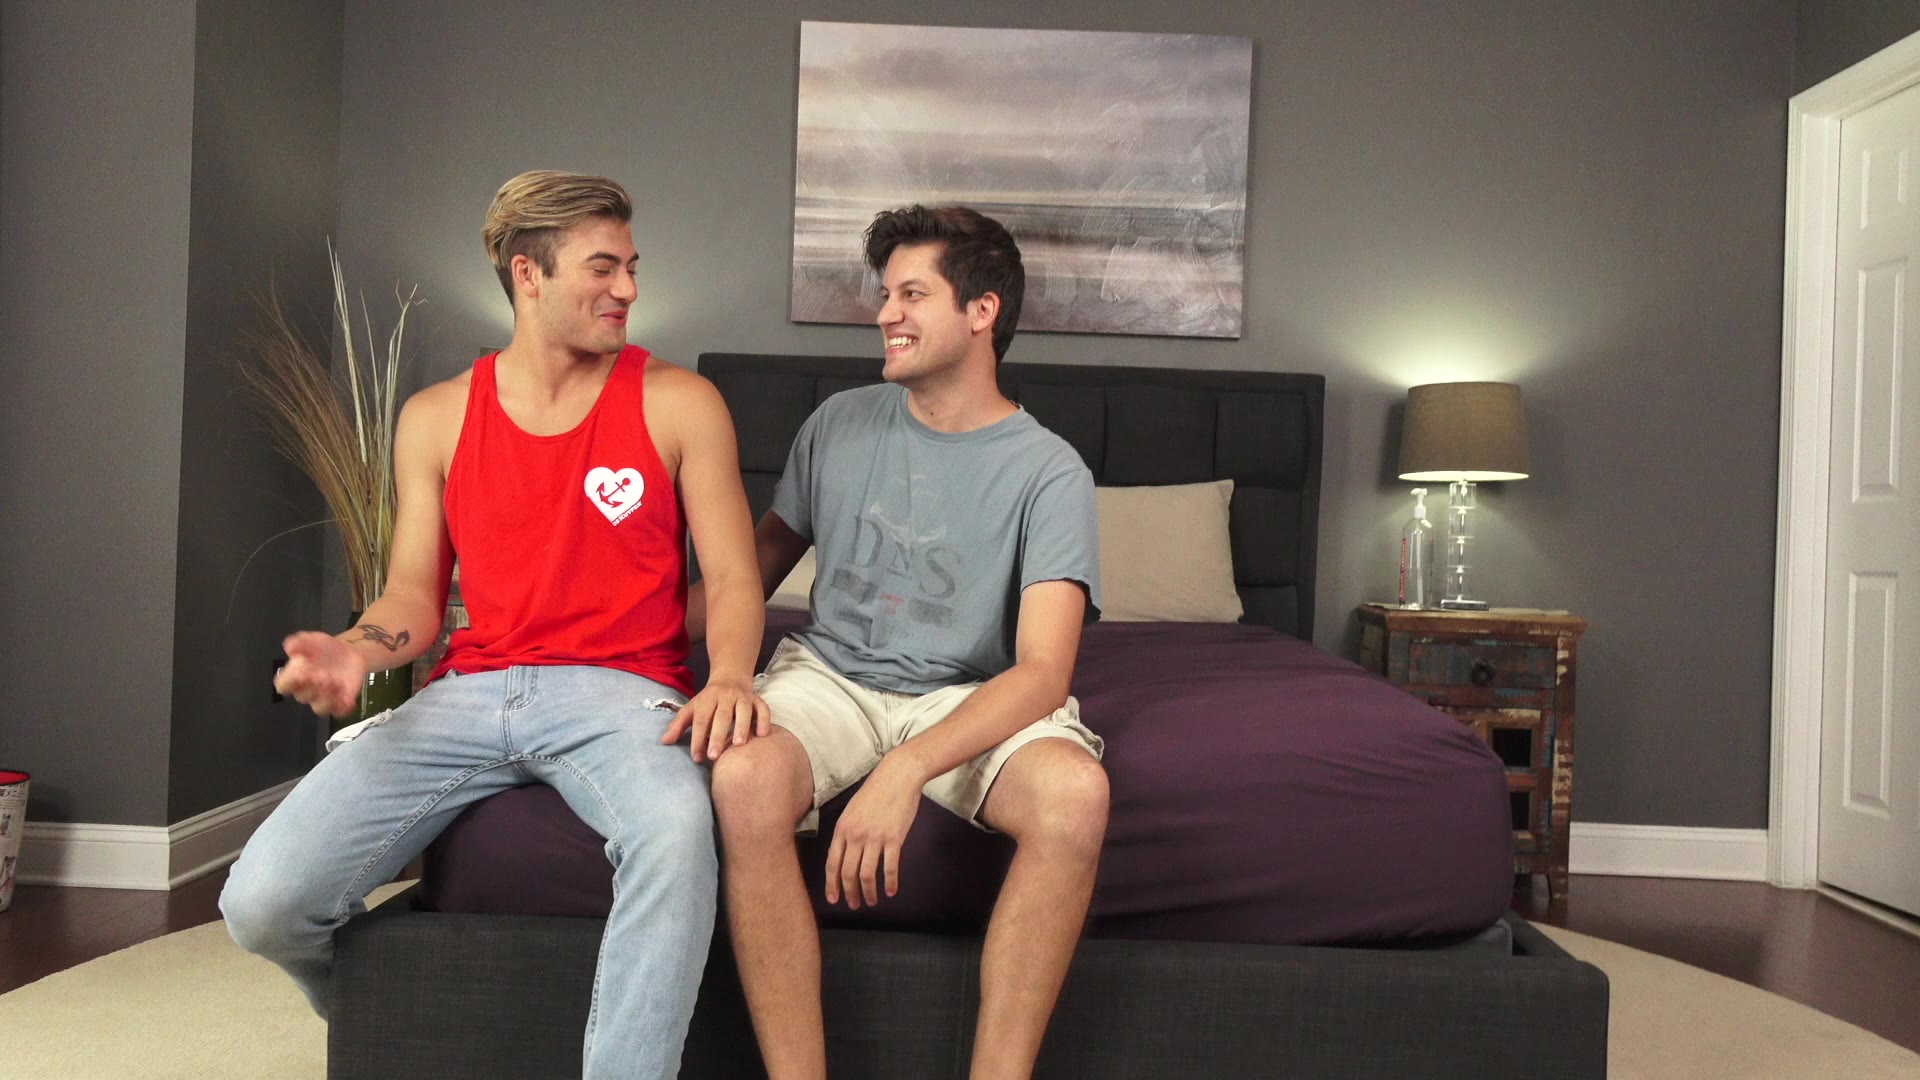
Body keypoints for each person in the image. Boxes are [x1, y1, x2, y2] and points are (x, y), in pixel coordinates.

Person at [220, 170, 769, 1080]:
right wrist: (354, 651)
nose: (628, 289)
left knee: (675, 834)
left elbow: (737, 578)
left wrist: (734, 676)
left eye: (632, 266)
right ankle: (397, 1019)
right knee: (263, 900)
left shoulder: (679, 403)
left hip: (622, 695)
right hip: (467, 695)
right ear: (528, 274)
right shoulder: (436, 418)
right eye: (603, 268)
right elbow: (411, 598)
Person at [691, 205, 1111, 1080]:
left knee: (1075, 797)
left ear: (982, 310)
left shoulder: (1049, 471)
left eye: (912, 295)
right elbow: (748, 575)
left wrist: (906, 768)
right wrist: (604, 627)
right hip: (831, 675)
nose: (886, 314)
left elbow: (1044, 671)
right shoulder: (838, 423)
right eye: (886, 295)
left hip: (967, 692)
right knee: (744, 778)